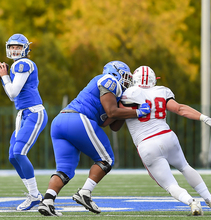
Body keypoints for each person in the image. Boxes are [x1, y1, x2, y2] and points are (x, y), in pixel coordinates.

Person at [37, 61, 151, 216]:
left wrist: (127, 107)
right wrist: (137, 113)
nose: (127, 81)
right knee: (107, 159)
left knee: (65, 171)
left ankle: (47, 201)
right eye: (125, 76)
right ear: (115, 72)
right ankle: (85, 192)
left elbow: (110, 124)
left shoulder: (113, 93)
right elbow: (111, 112)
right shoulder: (108, 80)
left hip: (60, 122)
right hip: (76, 119)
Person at [113, 65, 211, 216]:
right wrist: (203, 117)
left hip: (146, 143)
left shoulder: (128, 94)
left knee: (170, 185)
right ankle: (210, 199)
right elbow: (179, 109)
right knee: (185, 167)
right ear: (154, 80)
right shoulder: (161, 91)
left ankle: (192, 203)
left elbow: (116, 114)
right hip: (167, 136)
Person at [0, 33, 48, 211]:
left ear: (25, 49)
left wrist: (3, 76)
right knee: (12, 155)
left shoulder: (24, 64)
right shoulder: (16, 66)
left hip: (34, 113)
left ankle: (34, 195)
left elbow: (12, 93)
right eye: (11, 47)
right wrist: (4, 76)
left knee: (19, 152)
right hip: (24, 115)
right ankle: (34, 194)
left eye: (18, 47)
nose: (14, 50)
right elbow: (13, 94)